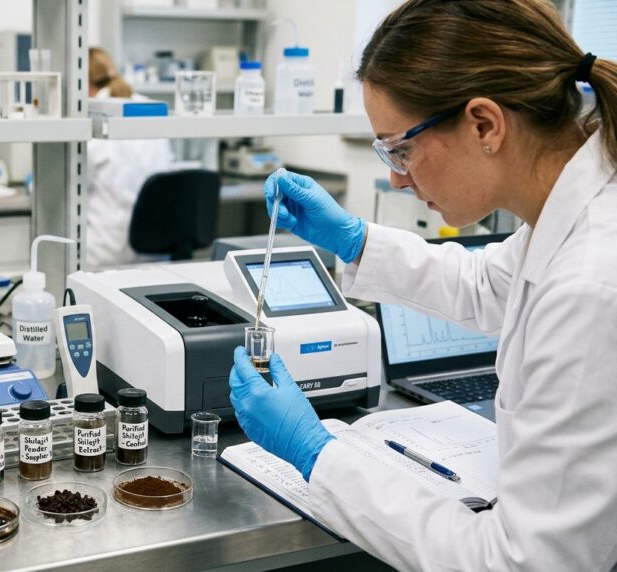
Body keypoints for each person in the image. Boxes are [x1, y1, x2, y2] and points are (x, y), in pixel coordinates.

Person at [228, 1, 617, 570]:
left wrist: (317, 455)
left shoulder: (591, 281)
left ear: (485, 124)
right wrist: (355, 240)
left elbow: (519, 563)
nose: (394, 176)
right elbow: (489, 285)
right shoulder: (570, 211)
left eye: (400, 148)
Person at [85, 47, 173, 270]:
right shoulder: (149, 107)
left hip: (107, 254)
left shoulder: (95, 118)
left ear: (83, 84)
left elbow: (68, 186)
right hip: (156, 253)